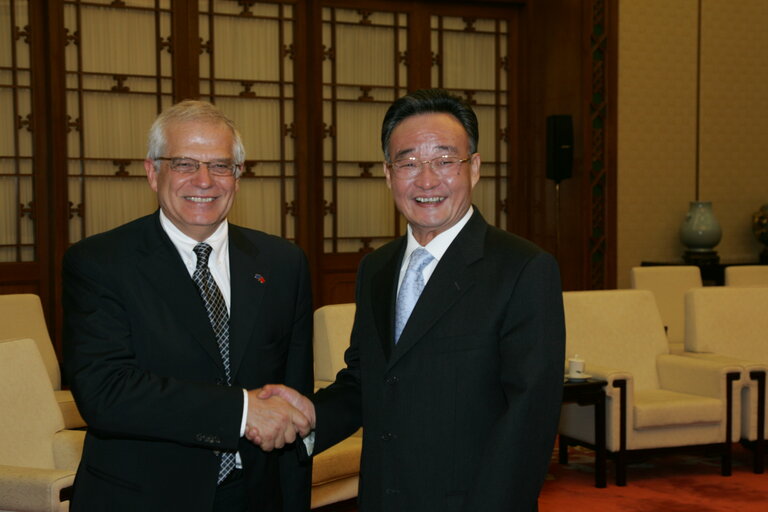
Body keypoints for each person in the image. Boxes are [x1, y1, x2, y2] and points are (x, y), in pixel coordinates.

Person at [261, 88, 566, 511]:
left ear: (474, 168)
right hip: (384, 496)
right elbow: (367, 379)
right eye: (408, 163)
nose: (426, 180)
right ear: (388, 174)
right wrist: (310, 415)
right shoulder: (377, 269)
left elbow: (529, 419)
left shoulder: (522, 269)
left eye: (444, 161)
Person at [63, 100, 314, 512]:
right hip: (143, 497)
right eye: (184, 164)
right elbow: (103, 392)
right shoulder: (99, 262)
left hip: (254, 495)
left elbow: (291, 396)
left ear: (237, 176)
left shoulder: (283, 263)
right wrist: (242, 411)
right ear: (152, 172)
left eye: (220, 166)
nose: (204, 181)